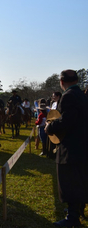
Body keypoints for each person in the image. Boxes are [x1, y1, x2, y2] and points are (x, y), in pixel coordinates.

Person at [45, 69, 88, 227]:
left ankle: (72, 218)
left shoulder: (68, 96)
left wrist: (50, 127)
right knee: (80, 180)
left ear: (62, 82)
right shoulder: (82, 95)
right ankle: (76, 210)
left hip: (71, 148)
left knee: (70, 182)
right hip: (82, 145)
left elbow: (66, 121)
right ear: (76, 80)